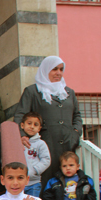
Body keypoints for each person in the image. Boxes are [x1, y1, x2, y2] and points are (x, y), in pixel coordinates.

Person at [13, 56, 83, 189]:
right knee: (45, 182)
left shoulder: (68, 92)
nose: (58, 73)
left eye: (61, 69)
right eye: (54, 69)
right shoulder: (33, 91)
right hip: (44, 144)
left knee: (66, 183)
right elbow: (20, 115)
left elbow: (77, 116)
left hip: (68, 143)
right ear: (45, 70)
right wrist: (22, 135)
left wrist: (75, 132)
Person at [18, 112, 51, 197]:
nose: (32, 126)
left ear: (39, 128)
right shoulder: (17, 142)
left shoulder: (41, 144)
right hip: (17, 182)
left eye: (35, 125)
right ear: (22, 125)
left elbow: (46, 160)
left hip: (34, 183)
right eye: (29, 123)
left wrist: (35, 170)